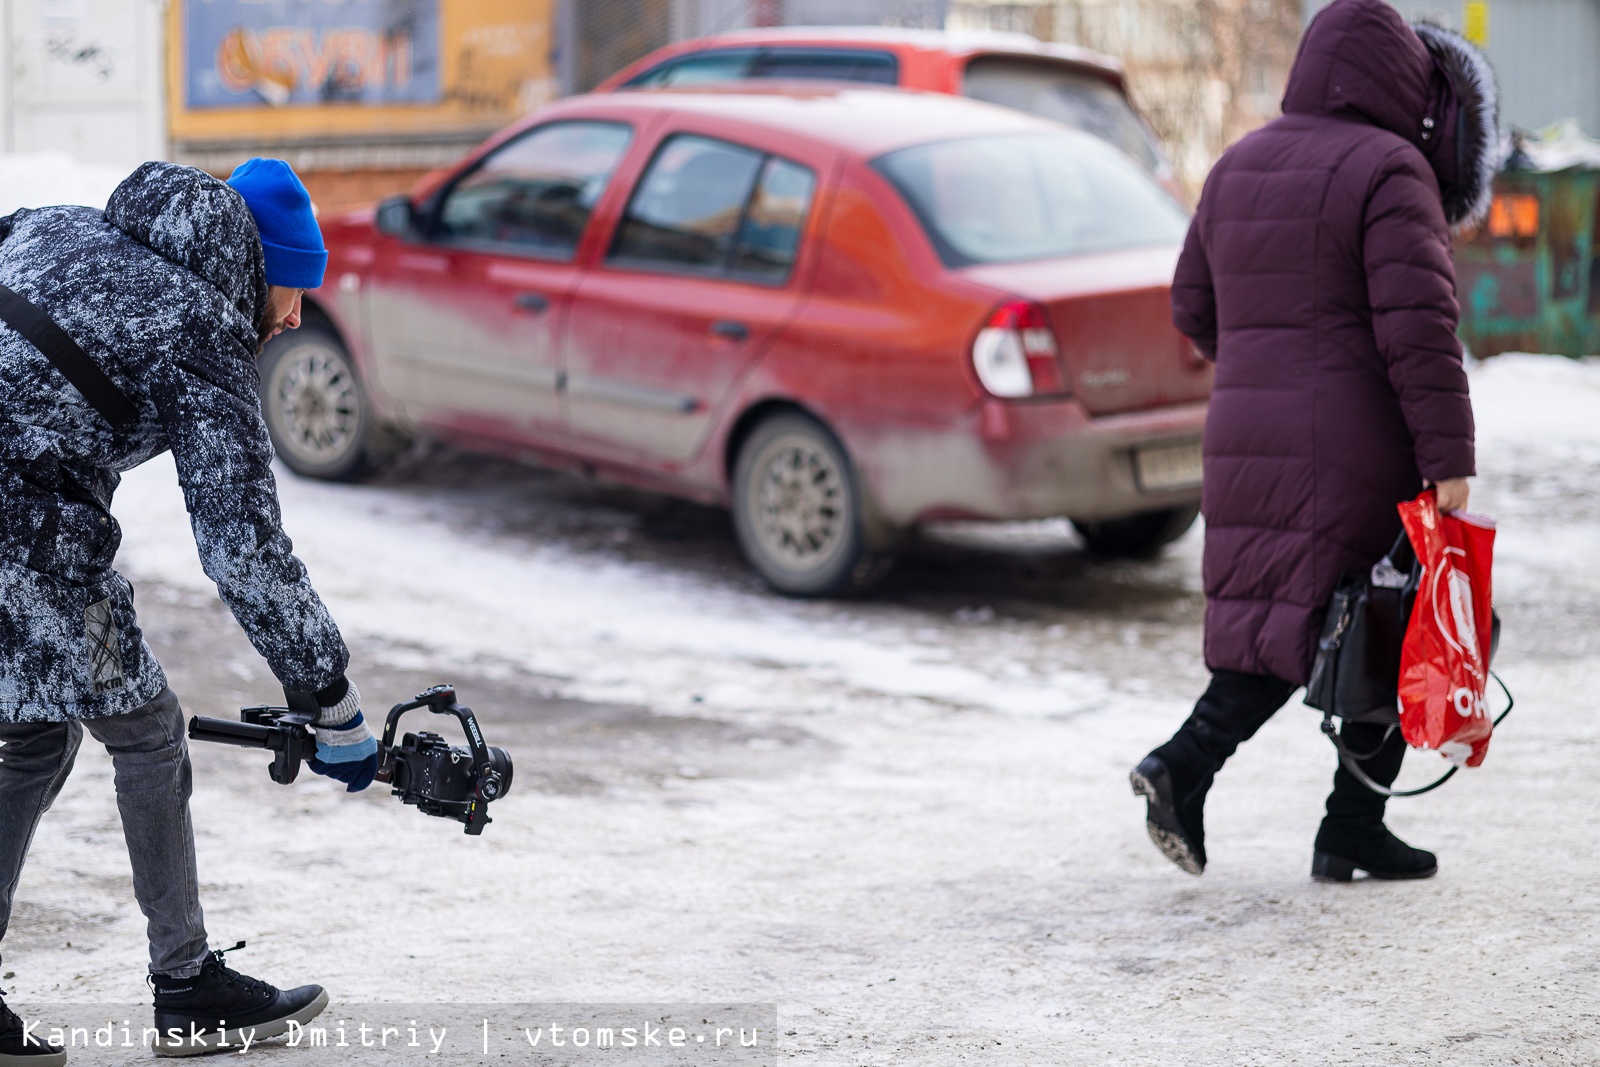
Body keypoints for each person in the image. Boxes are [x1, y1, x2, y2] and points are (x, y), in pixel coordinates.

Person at [0, 159, 380, 1061]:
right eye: (292, 289)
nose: (293, 316)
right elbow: (242, 542)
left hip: (25, 508)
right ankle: (188, 986)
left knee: (38, 735)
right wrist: (329, 694)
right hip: (22, 519)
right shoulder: (197, 324)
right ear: (256, 265)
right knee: (144, 729)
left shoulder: (64, 224)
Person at [1130, 0, 1497, 882]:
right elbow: (1419, 329)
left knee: (1324, 619)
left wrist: (1266, 360)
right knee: (1374, 619)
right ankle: (1187, 762)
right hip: (1354, 440)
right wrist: (1449, 457)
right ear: (1403, 82)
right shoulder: (1391, 168)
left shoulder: (1238, 163)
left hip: (1245, 430)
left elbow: (1192, 309)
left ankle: (1350, 826)